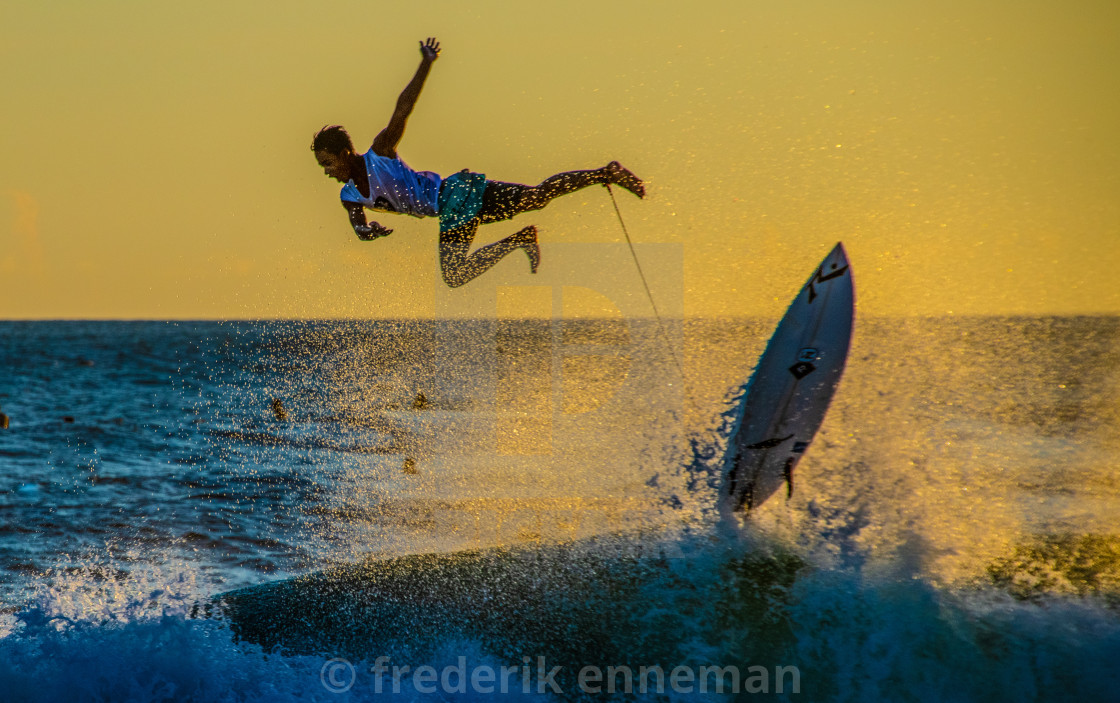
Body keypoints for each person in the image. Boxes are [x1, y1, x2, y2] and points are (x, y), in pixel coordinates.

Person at [312, 37, 645, 288]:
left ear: (344, 154)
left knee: (455, 276)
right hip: (461, 196)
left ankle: (596, 181)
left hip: (454, 196)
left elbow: (403, 109)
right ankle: (603, 175)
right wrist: (367, 231)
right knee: (537, 197)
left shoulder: (380, 154)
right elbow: (358, 227)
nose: (327, 173)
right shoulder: (350, 197)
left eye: (328, 164)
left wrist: (426, 63)